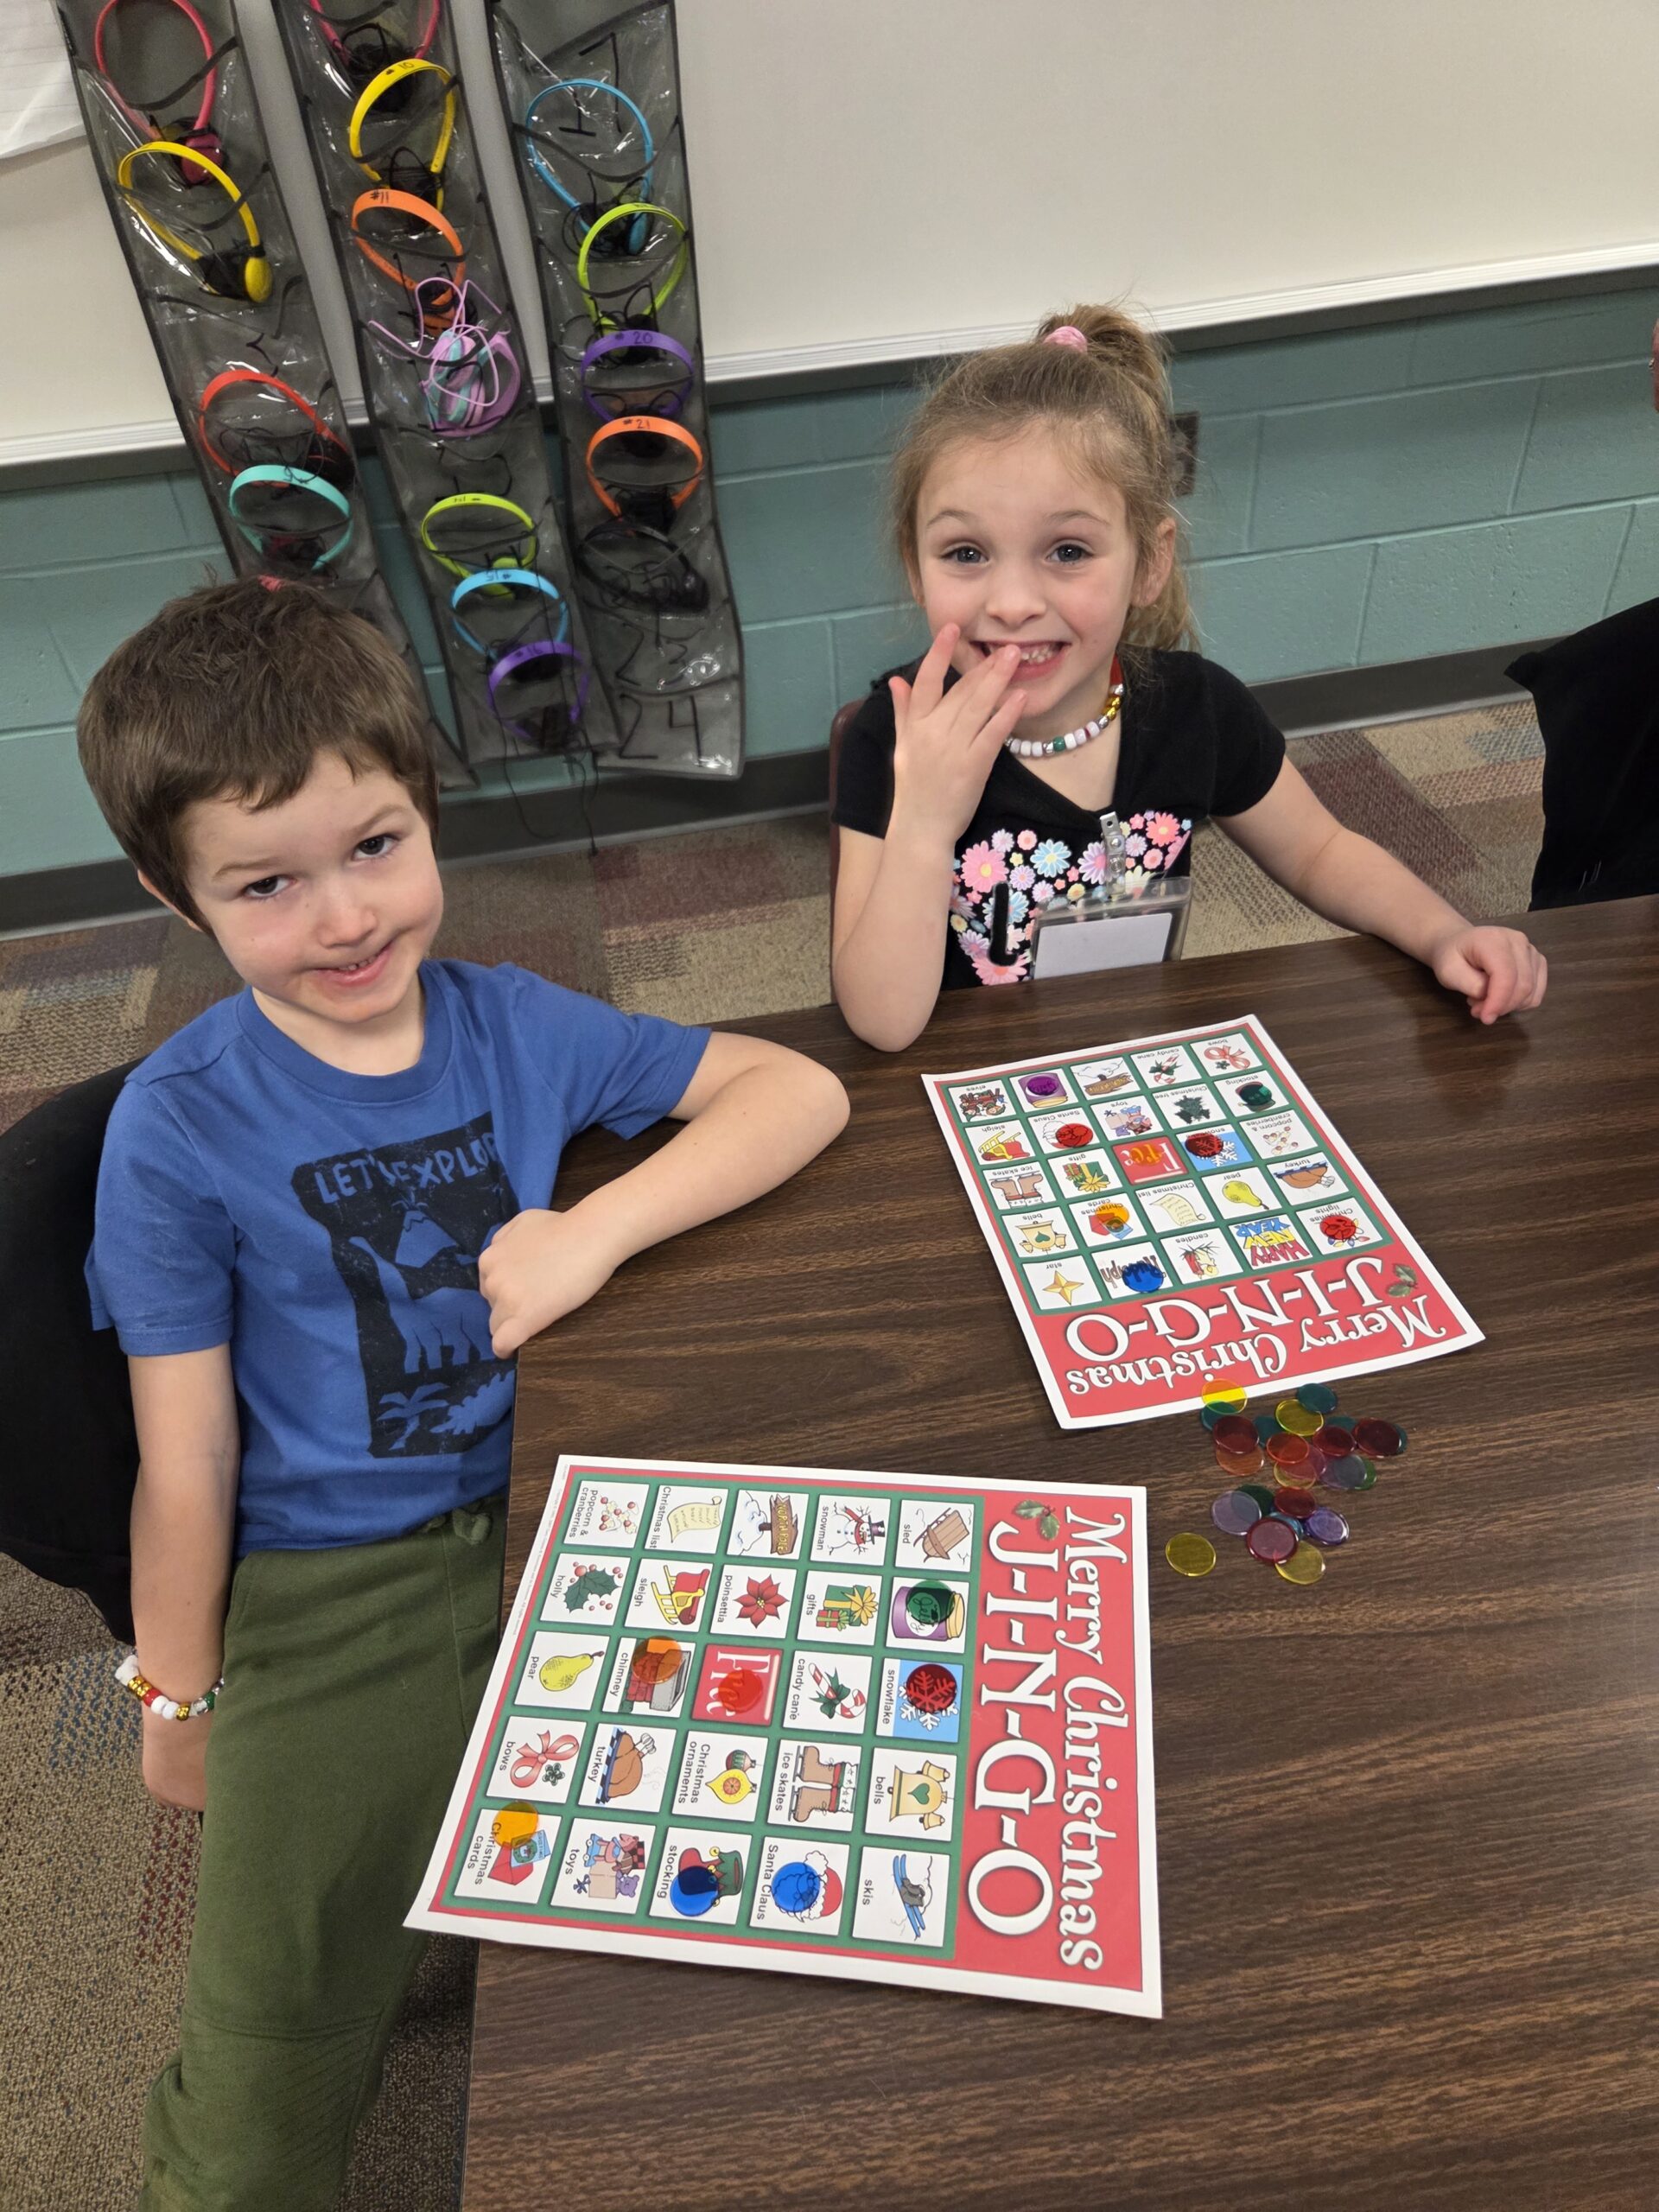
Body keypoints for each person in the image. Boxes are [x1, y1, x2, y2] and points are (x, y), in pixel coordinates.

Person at [74, 576, 849, 2210]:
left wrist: (593, 1231)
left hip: (572, 1510)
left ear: (428, 810)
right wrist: (176, 1697)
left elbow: (796, 1090)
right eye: (268, 885)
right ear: (175, 894)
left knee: (752, 1894)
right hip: (333, 1586)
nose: (346, 919)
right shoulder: (177, 1124)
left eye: (375, 848)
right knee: (270, 2051)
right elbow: (185, 1458)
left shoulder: (515, 1024)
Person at [831, 304, 1549, 1051]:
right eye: (967, 554)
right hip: (965, 1095)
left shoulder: (1196, 710)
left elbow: (1319, 852)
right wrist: (923, 817)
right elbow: (882, 1023)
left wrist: (1443, 933)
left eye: (1069, 551)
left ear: (1149, 561)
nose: (1012, 605)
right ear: (917, 569)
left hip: (1136, 1067)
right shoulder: (893, 733)